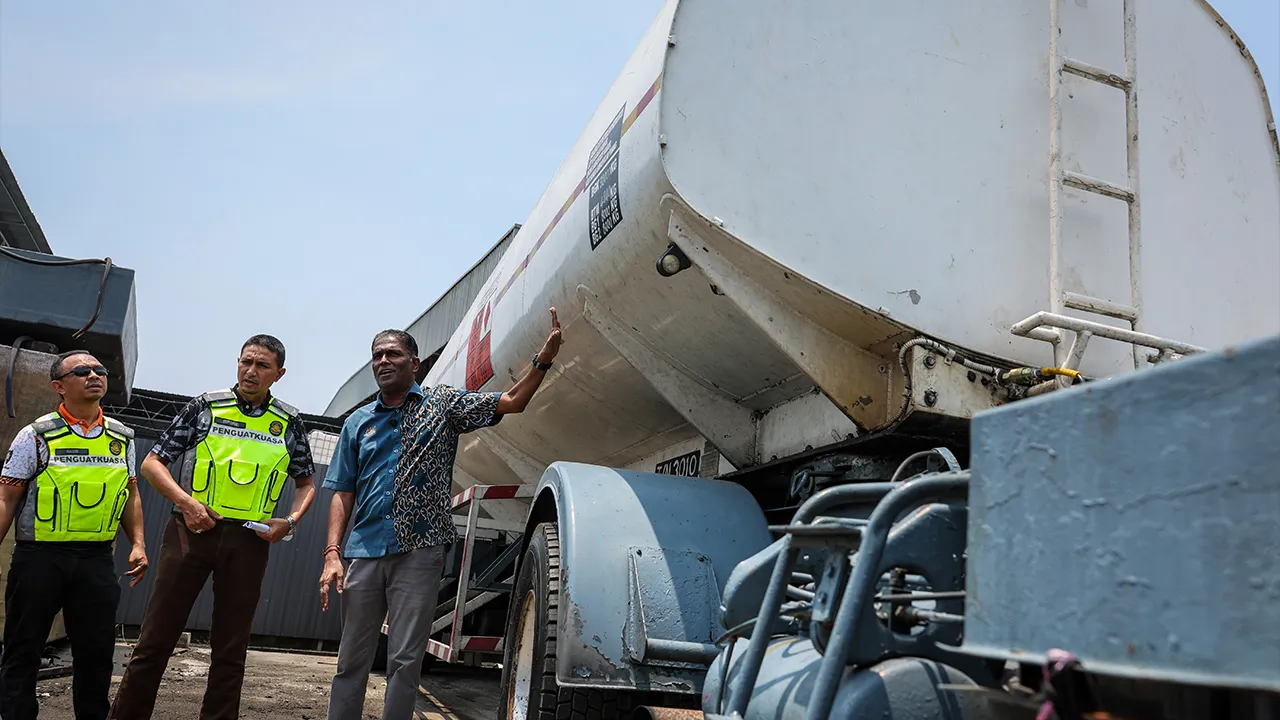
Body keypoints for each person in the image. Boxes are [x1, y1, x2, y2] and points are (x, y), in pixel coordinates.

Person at [319, 308, 563, 720]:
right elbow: (343, 491)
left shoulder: (443, 405)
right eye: (377, 355)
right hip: (363, 552)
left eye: (392, 354)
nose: (382, 361)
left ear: (414, 363)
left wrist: (544, 359)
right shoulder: (357, 423)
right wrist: (332, 552)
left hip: (420, 551)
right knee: (351, 659)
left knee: (404, 660)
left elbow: (513, 402)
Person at [108, 335, 317, 720]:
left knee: (231, 648)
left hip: (250, 541)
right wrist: (186, 503)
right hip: (190, 531)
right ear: (237, 362)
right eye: (246, 362)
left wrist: (289, 522)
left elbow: (306, 483)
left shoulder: (288, 423)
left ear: (279, 374)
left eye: (262, 366)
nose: (251, 371)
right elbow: (153, 463)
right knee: (156, 638)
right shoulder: (205, 407)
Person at [0, 350, 149, 720]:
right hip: (39, 560)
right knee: (22, 649)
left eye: (99, 370)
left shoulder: (121, 438)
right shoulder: (35, 435)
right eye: (81, 371)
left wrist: (139, 545)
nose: (94, 375)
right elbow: (7, 497)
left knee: (96, 655)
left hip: (95, 561)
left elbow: (130, 493)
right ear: (58, 386)